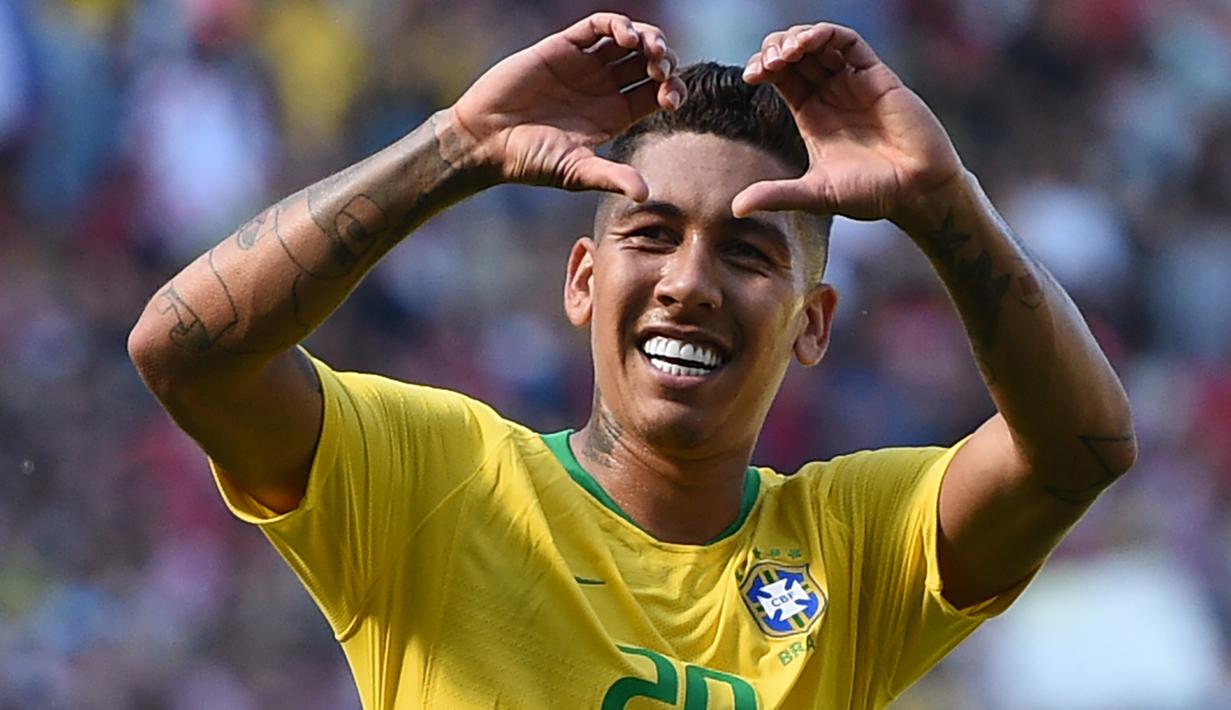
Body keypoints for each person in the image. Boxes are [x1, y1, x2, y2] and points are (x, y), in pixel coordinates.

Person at [127, 13, 1136, 709]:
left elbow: (1079, 449)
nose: (689, 283)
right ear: (581, 280)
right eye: (651, 234)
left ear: (812, 323)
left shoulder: (852, 547)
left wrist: (942, 200)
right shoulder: (440, 482)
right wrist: (456, 147)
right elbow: (184, 352)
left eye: (747, 254)